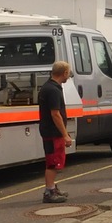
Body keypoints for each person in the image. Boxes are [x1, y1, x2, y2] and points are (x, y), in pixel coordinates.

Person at [38, 61, 74, 203]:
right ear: (64, 73)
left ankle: (52, 187)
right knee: (53, 162)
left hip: (50, 131)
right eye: (68, 73)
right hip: (52, 132)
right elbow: (55, 114)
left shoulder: (49, 87)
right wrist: (64, 134)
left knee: (54, 160)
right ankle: (49, 191)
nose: (68, 76)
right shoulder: (53, 90)